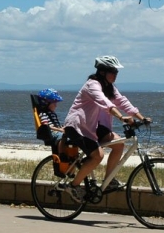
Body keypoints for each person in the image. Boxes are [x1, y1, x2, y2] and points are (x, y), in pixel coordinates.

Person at [63, 56, 150, 203]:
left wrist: (142, 118)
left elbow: (123, 102)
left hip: (93, 127)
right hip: (77, 126)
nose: (116, 74)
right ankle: (73, 185)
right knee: (98, 155)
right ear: (102, 72)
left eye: (116, 71)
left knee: (118, 144)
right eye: (113, 71)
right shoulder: (92, 85)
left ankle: (109, 179)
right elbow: (105, 103)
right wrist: (122, 118)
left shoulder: (109, 87)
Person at [37, 88, 65, 154]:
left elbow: (56, 125)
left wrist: (62, 127)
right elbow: (47, 126)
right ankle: (61, 154)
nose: (56, 105)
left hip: (57, 131)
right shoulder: (43, 114)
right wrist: (60, 130)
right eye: (54, 103)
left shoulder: (52, 114)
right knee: (62, 137)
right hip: (52, 133)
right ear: (46, 103)